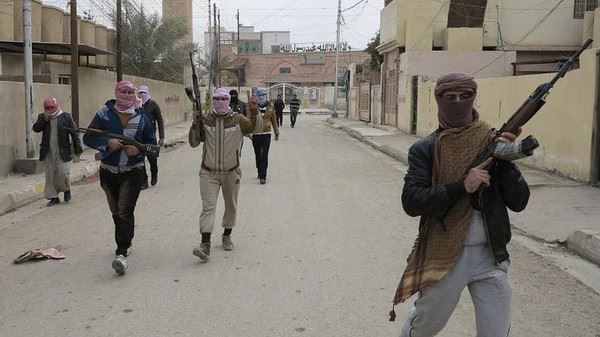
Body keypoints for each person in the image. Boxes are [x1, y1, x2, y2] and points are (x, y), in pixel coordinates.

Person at [391, 73, 530, 337]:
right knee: (425, 327)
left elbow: (519, 201)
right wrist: (461, 187)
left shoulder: (492, 141)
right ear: (439, 100)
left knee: (496, 332)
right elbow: (412, 201)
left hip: (491, 254)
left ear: (474, 98)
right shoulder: (426, 149)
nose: (458, 102)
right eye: (450, 97)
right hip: (445, 256)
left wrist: (506, 161)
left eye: (465, 96)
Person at [83, 80, 156, 276]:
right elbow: (88, 138)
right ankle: (126, 240)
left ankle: (121, 252)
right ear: (116, 92)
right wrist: (107, 143)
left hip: (133, 172)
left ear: (135, 95)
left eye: (129, 92)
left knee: (125, 210)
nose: (125, 95)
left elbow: (152, 145)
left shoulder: (142, 118)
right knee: (116, 211)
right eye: (122, 91)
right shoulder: (103, 115)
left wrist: (138, 151)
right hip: (108, 171)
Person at [188, 88, 257, 261]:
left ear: (228, 100)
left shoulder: (238, 119)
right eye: (217, 98)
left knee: (231, 205)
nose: (220, 101)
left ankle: (227, 234)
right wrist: (195, 124)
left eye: (223, 98)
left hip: (231, 172)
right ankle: (205, 244)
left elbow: (253, 129)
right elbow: (194, 143)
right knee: (208, 207)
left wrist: (254, 112)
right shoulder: (206, 119)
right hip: (208, 172)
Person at [32, 97, 83, 206]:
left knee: (63, 173)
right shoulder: (43, 117)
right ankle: (53, 197)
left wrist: (78, 150)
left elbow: (74, 134)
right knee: (50, 175)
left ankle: (66, 189)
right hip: (48, 151)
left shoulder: (66, 117)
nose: (50, 109)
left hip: (63, 150)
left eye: (52, 107)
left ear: (57, 106)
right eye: (47, 107)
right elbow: (36, 129)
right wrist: (44, 119)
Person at [137, 85, 164, 188]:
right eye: (140, 93)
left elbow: (160, 121)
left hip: (150, 137)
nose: (142, 95)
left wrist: (162, 137)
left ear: (147, 93)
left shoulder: (153, 104)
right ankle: (144, 181)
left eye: (143, 92)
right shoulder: (137, 105)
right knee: (140, 160)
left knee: (152, 158)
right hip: (139, 137)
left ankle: (154, 174)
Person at [251, 88, 280, 185]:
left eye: (263, 95)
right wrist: (247, 131)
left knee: (264, 155)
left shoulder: (270, 105)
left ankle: (263, 176)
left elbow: (274, 119)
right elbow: (248, 118)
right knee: (258, 155)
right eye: (260, 96)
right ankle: (259, 170)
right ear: (257, 97)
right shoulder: (253, 106)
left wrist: (276, 132)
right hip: (256, 134)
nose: (262, 97)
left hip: (266, 134)